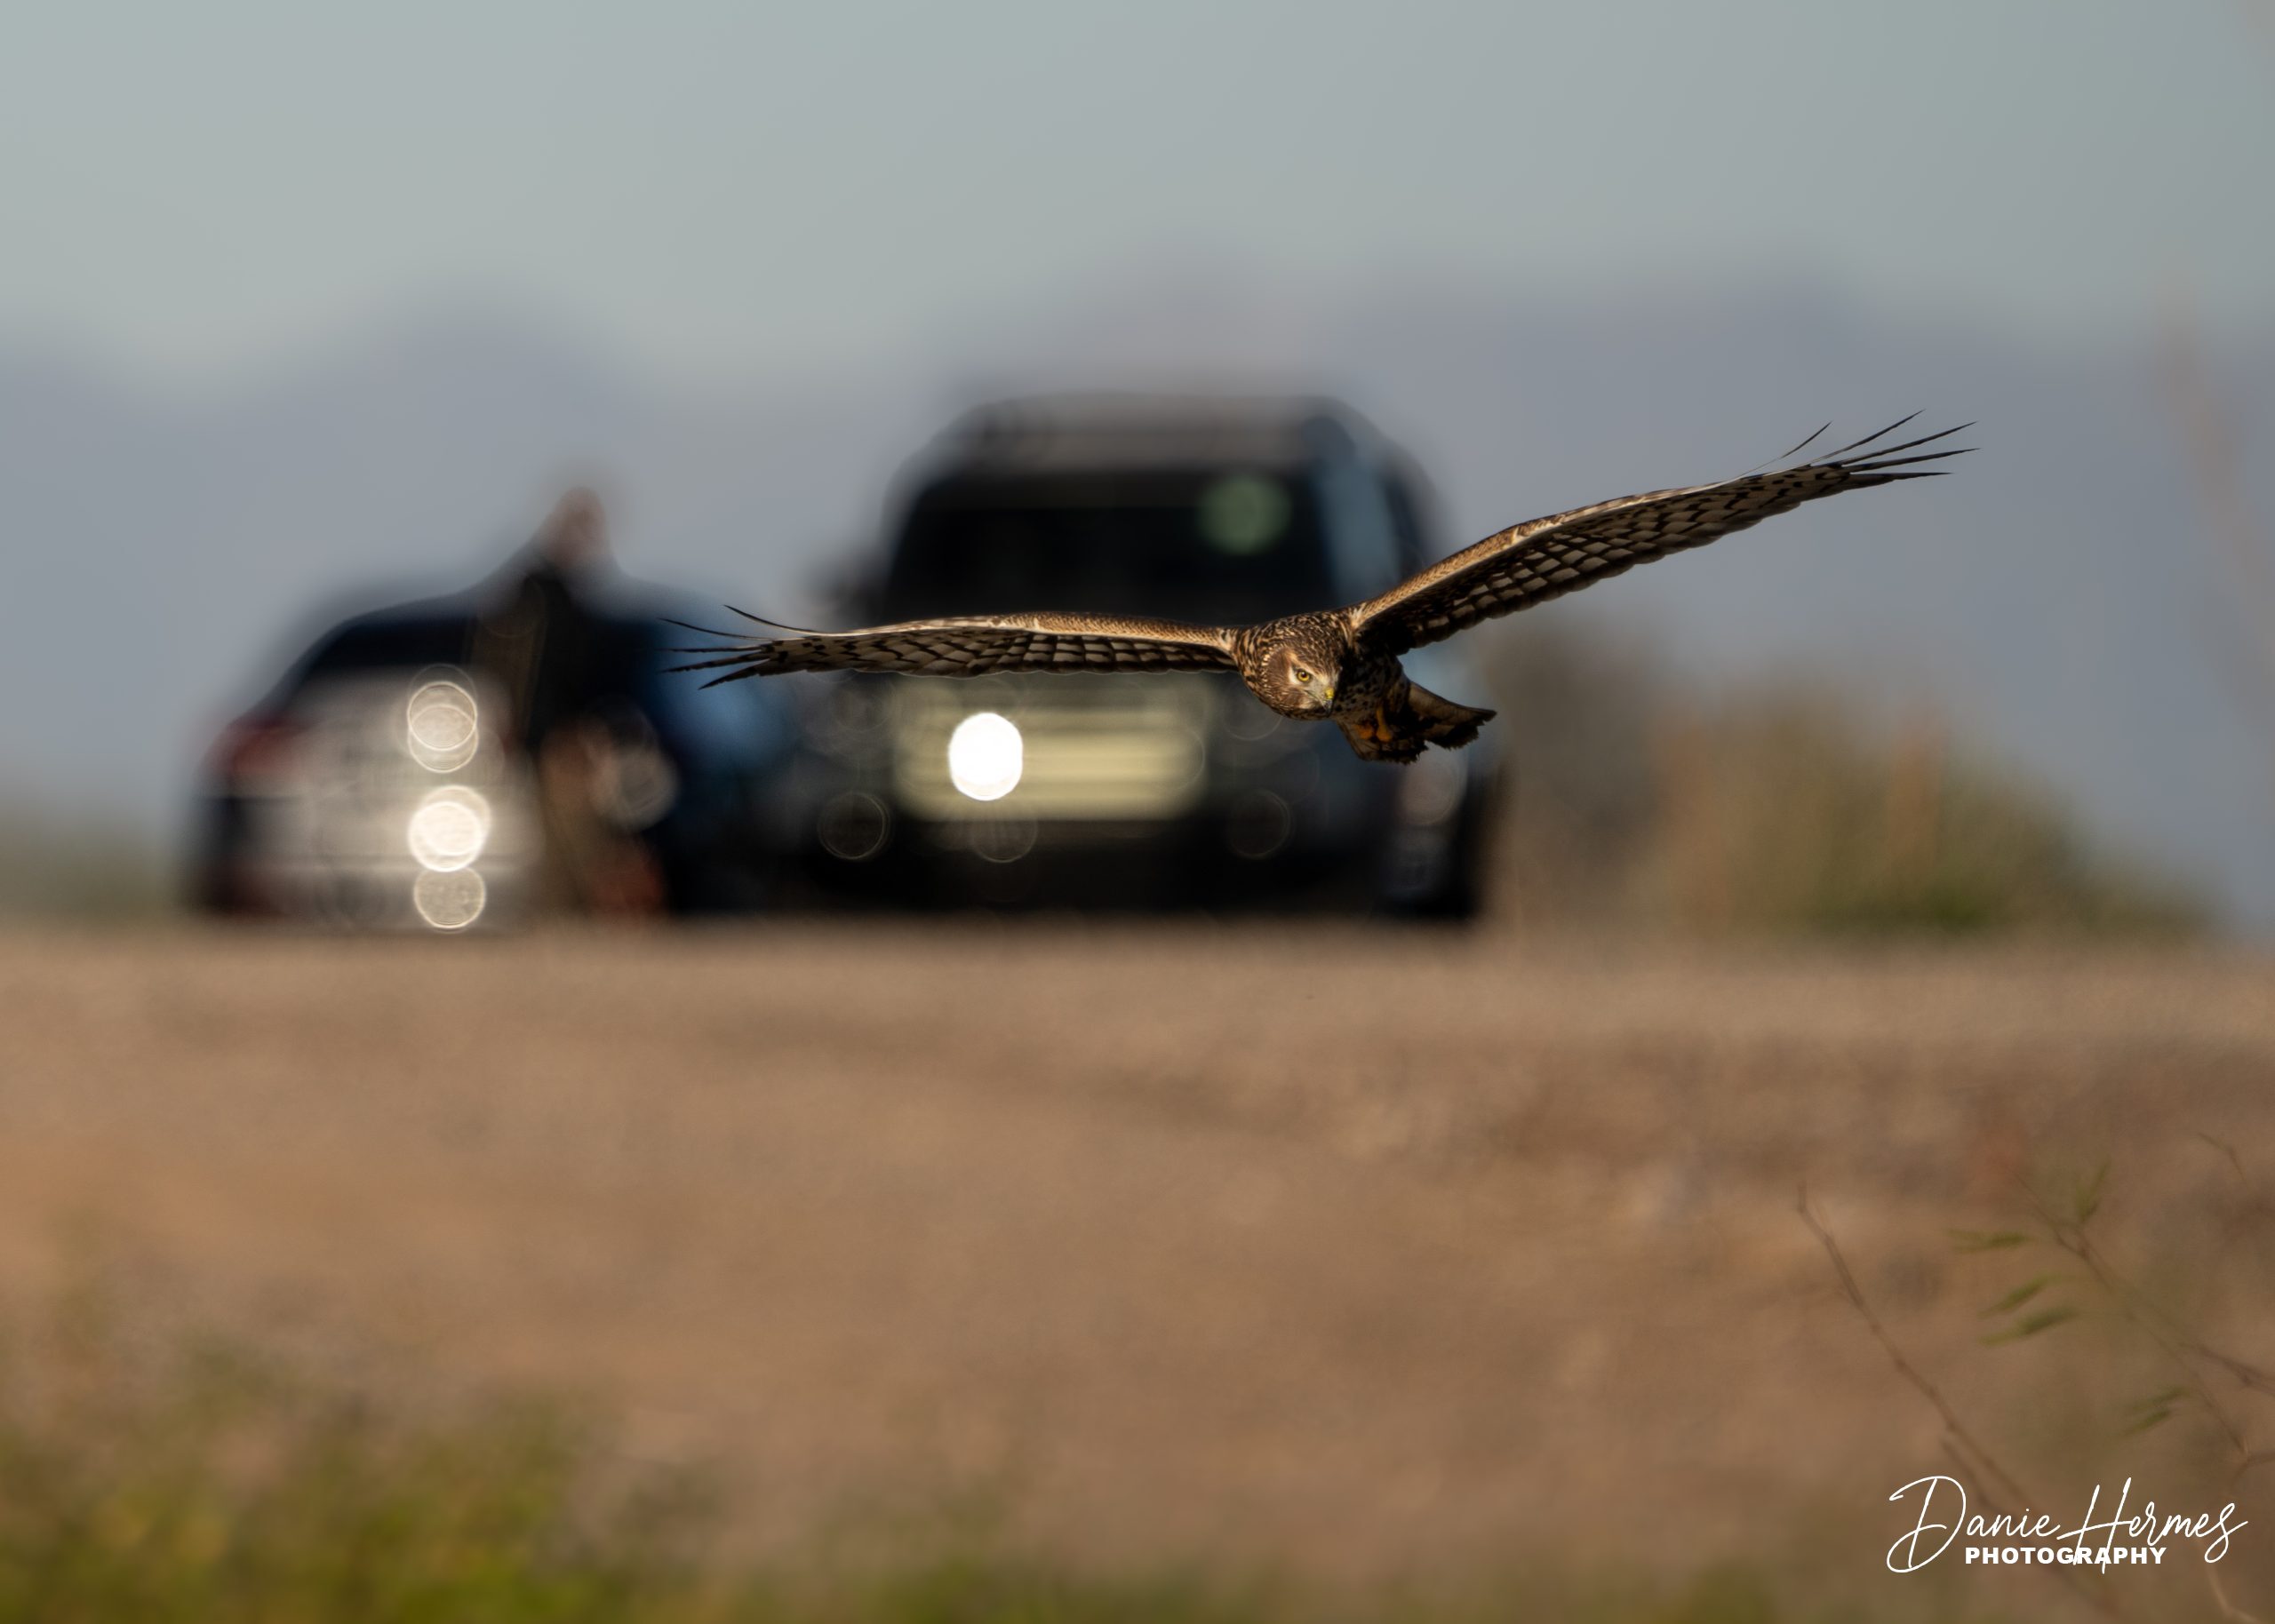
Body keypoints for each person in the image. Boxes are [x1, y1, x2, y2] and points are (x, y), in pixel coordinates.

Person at [475, 490, 663, 917]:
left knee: (570, 834)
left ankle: (566, 920)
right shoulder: (540, 597)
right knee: (571, 836)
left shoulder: (564, 595)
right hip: (554, 736)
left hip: (563, 732)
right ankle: (562, 919)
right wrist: (540, 727)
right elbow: (525, 672)